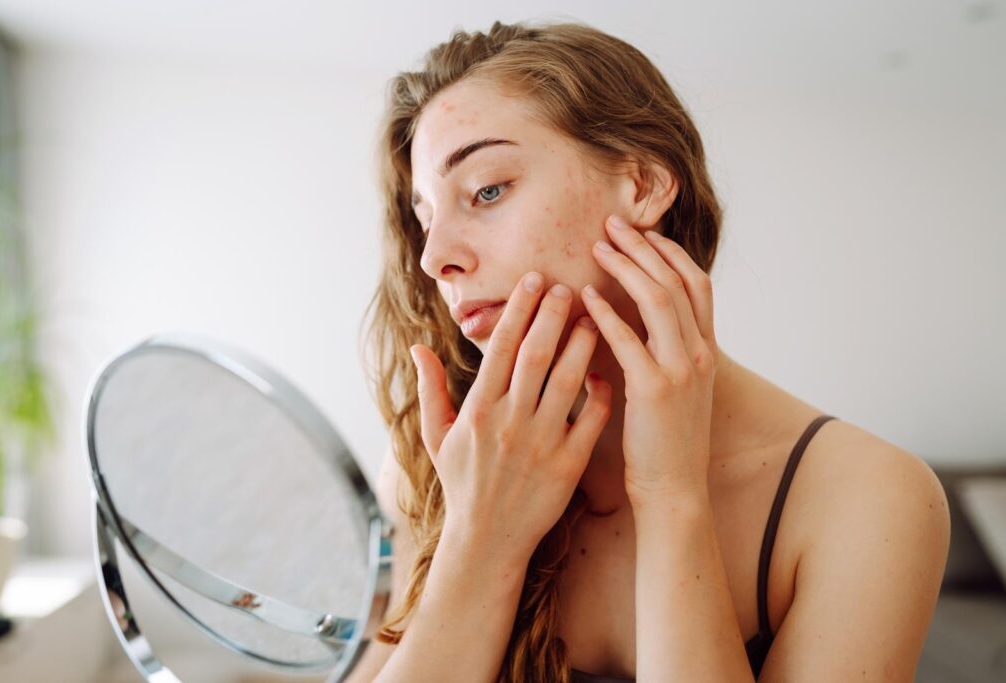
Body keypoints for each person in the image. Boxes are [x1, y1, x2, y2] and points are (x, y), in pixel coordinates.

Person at [354, 20, 950, 683]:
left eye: (487, 190)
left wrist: (671, 495)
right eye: (425, 219)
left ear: (641, 186)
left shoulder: (870, 498)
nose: (435, 258)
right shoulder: (442, 459)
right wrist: (480, 538)